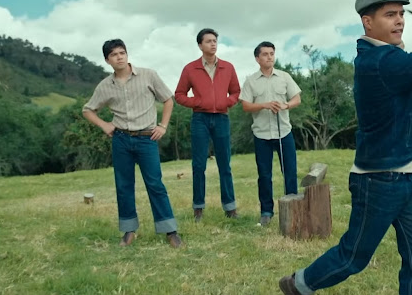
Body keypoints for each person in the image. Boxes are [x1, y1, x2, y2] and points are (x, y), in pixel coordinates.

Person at [279, 0, 412, 295]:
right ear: (367, 22)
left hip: (409, 175)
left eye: (402, 14)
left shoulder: (394, 59)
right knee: (353, 257)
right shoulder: (377, 61)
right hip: (378, 180)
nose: (399, 20)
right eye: (390, 14)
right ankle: (299, 284)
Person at [82, 39, 182, 248]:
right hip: (121, 140)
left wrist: (162, 126)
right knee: (124, 186)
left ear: (127, 54)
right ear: (107, 60)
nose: (119, 57)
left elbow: (168, 99)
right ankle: (129, 231)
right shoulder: (105, 86)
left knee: (155, 184)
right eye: (114, 55)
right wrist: (104, 125)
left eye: (122, 53)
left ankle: (170, 230)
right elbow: (87, 109)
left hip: (147, 138)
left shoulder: (148, 75)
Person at [174, 28, 241, 222]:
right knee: (198, 165)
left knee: (224, 164)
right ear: (200, 45)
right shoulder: (190, 68)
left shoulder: (228, 67)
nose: (213, 44)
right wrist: (198, 103)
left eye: (215, 41)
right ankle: (198, 209)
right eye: (209, 41)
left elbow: (236, 92)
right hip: (200, 119)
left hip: (221, 118)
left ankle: (230, 208)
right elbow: (179, 95)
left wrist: (225, 103)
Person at [239, 41, 302, 226]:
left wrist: (286, 105)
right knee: (264, 175)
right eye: (265, 54)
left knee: (290, 172)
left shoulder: (284, 77)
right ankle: (266, 212)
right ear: (257, 58)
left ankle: (293, 208)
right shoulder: (250, 81)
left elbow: (297, 98)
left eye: (272, 53)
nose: (269, 57)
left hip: (284, 132)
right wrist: (264, 105)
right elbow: (245, 106)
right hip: (262, 135)